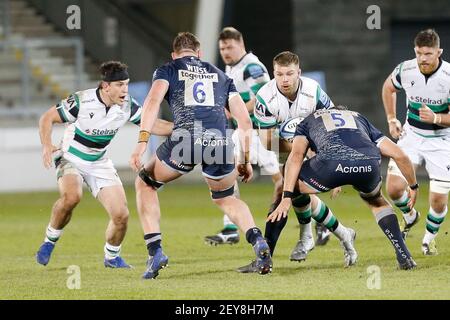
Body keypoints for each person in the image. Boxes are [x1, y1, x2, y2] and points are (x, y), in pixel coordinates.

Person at [129, 32, 273, 279]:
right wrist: (245, 160)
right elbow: (245, 121)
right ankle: (258, 240)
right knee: (226, 199)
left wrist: (142, 143)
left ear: (174, 55)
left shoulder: (168, 69)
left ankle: (155, 252)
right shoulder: (221, 75)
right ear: (199, 53)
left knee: (145, 183)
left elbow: (152, 103)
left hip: (186, 138)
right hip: (219, 139)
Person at [36, 61, 173, 268]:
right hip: (70, 156)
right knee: (72, 196)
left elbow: (153, 124)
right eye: (119, 85)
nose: (125, 90)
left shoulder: (127, 106)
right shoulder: (82, 101)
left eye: (126, 84)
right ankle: (49, 241)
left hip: (98, 161)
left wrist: (184, 128)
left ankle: (111, 257)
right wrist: (47, 145)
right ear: (105, 86)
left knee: (121, 215)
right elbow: (47, 118)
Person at [237, 51, 355, 273]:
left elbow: (331, 130)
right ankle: (337, 233)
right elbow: (268, 142)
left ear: (298, 72)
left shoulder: (315, 93)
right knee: (295, 192)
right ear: (274, 73)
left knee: (284, 191)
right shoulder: (265, 97)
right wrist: (298, 148)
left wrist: (332, 167)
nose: (284, 79)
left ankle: (267, 257)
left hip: (317, 149)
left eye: (290, 73)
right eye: (279, 74)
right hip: (285, 150)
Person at [268, 106, 418, 270]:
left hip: (331, 166)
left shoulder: (307, 121)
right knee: (377, 202)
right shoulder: (359, 118)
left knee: (291, 179)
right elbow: (399, 155)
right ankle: (404, 255)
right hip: (368, 164)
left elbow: (296, 157)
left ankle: (307, 236)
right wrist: (413, 185)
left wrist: (287, 196)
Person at [204, 27, 283, 246]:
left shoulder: (252, 67)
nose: (225, 52)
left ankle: (321, 222)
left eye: (229, 47)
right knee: (229, 171)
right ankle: (230, 227)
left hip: (263, 131)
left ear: (241, 44)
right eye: (222, 48)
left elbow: (261, 98)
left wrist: (233, 110)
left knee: (284, 182)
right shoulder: (231, 68)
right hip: (245, 131)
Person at [382, 29, 450, 255]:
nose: (423, 59)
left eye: (428, 54)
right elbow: (388, 87)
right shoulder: (406, 69)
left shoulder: (448, 77)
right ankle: (410, 216)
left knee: (438, 200)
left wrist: (437, 118)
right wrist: (392, 119)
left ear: (439, 52)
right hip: (411, 136)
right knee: (393, 188)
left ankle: (428, 239)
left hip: (441, 141)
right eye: (419, 53)